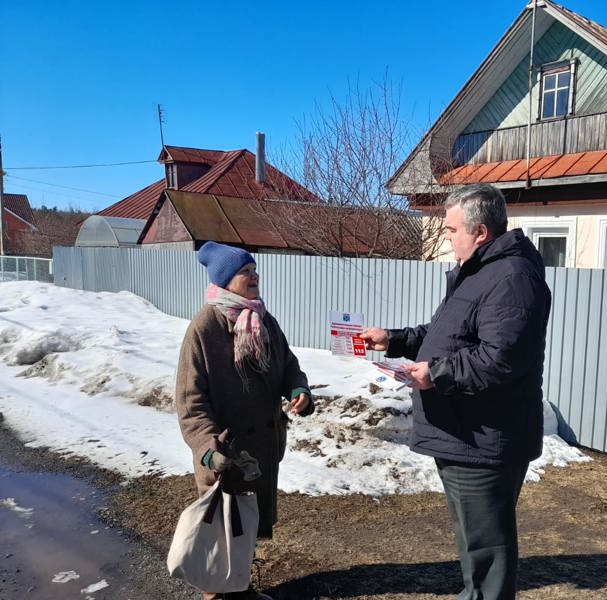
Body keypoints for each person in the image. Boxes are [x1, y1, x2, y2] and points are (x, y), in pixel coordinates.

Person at [361, 183, 552, 600]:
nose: (446, 238)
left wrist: (437, 375)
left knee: (487, 550)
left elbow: (500, 358)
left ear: (479, 232)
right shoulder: (483, 272)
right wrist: (393, 340)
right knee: (474, 543)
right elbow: (448, 335)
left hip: (484, 438)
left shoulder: (511, 278)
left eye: (450, 230)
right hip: (466, 433)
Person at [176, 241, 314, 600]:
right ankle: (214, 593)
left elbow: (288, 365)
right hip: (226, 450)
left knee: (246, 523)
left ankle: (240, 588)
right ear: (225, 281)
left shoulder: (263, 320)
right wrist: (208, 450)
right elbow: (190, 401)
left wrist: (298, 388)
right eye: (245, 273)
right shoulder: (204, 329)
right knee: (220, 525)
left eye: (254, 271)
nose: (254, 277)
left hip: (262, 449)